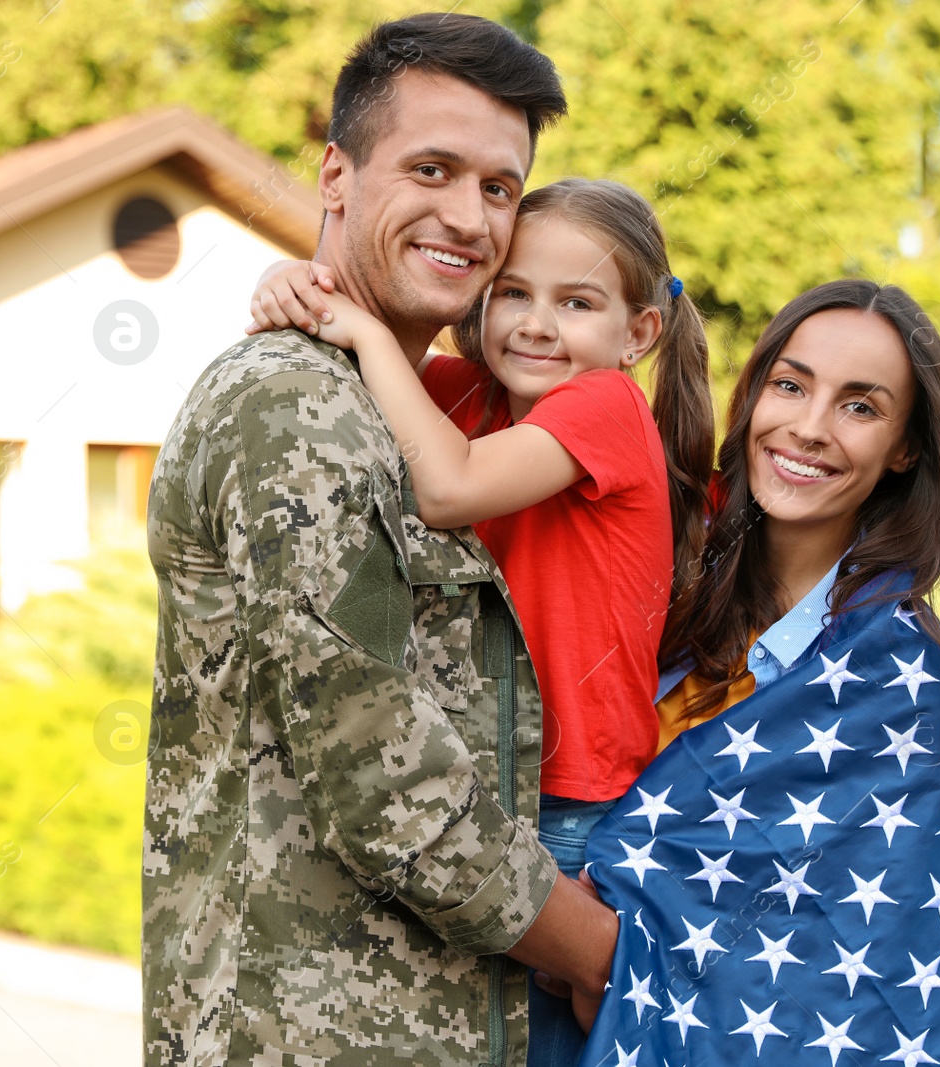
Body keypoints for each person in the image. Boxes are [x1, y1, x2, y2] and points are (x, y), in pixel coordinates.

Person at [143, 15, 621, 1067]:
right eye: (432, 169)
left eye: (498, 187)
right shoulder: (295, 410)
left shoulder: (405, 405)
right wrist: (596, 947)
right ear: (335, 175)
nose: (468, 216)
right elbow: (384, 772)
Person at [245, 177, 713, 1065]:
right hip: (478, 787)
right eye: (513, 293)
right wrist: (289, 278)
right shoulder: (470, 394)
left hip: (566, 800)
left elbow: (449, 484)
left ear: (638, 332)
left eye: (577, 302)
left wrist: (370, 334)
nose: (537, 324)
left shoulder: (606, 408)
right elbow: (338, 332)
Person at [576, 280, 940, 1066]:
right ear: (754, 395)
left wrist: (552, 925)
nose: (809, 428)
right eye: (791, 385)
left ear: (905, 447)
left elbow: (820, 988)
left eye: (860, 406)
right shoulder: (660, 563)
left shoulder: (894, 685)